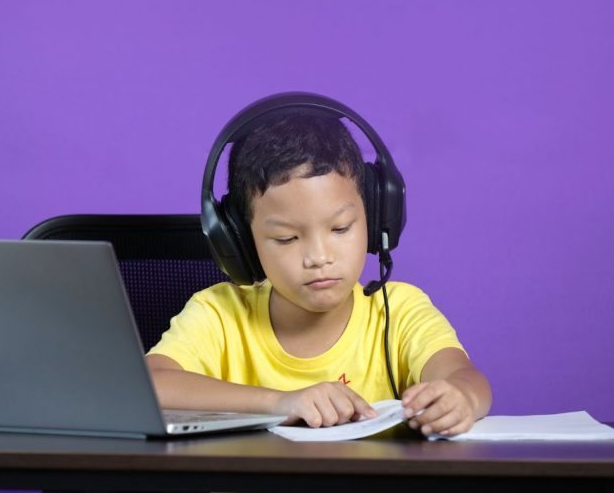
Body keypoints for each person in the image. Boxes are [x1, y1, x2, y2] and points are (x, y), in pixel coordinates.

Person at [147, 102, 492, 437]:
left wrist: (460, 397)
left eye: (340, 229)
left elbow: (465, 377)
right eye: (286, 238)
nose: (318, 257)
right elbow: (150, 386)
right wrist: (282, 403)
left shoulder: (400, 313)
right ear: (240, 242)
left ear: (375, 219)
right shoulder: (218, 315)